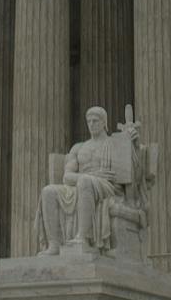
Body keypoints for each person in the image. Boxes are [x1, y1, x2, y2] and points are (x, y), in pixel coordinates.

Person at [38, 107, 129, 253]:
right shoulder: (79, 148)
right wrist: (93, 176)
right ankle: (54, 244)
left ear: (104, 122)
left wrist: (134, 144)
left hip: (107, 187)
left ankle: (83, 238)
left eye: (95, 121)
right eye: (89, 121)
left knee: (85, 182)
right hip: (82, 184)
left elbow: (131, 168)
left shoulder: (115, 144)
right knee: (48, 191)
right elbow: (67, 177)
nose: (91, 124)